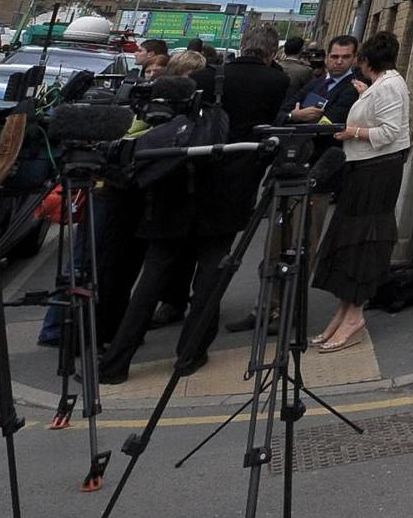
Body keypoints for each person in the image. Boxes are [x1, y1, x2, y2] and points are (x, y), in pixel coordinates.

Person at [97, 77, 244, 384]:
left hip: (167, 209)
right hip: (215, 211)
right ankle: (190, 355)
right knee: (207, 284)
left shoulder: (148, 126)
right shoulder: (213, 118)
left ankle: (115, 364)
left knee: (149, 286)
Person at [313, 32, 409, 353]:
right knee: (349, 241)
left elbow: (390, 132)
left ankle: (354, 316)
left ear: (365, 61)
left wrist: (350, 131)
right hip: (363, 170)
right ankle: (344, 311)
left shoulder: (392, 85)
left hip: (376, 174)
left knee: (362, 242)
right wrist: (367, 95)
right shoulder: (382, 85)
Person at [213, 26, 294, 136]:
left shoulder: (214, 74)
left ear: (242, 48)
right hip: (257, 144)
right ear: (273, 53)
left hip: (215, 144)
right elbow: (278, 116)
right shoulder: (280, 80)